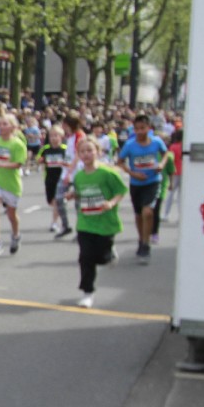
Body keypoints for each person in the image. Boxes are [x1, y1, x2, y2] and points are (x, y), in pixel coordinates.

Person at [65, 137, 126, 308]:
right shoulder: (79, 176)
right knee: (85, 257)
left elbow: (120, 191)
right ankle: (87, 292)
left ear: (98, 152)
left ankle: (109, 254)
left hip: (105, 223)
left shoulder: (107, 173)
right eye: (82, 152)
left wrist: (111, 203)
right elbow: (80, 193)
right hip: (85, 222)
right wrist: (73, 195)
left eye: (90, 150)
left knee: (102, 258)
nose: (86, 154)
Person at [115, 115, 167, 264]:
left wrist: (161, 164)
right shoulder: (130, 145)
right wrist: (133, 173)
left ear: (149, 128)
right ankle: (141, 238)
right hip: (136, 184)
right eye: (137, 129)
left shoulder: (156, 142)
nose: (139, 132)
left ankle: (146, 244)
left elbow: (165, 154)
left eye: (142, 128)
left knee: (148, 212)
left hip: (153, 182)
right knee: (138, 215)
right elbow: (120, 162)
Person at [0, 114, 27, 256]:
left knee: (11, 215)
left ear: (12, 127)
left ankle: (16, 235)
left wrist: (1, 164)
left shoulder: (17, 144)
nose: (1, 127)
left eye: (5, 124)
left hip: (11, 184)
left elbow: (18, 164)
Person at [38, 127, 68, 234]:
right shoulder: (45, 149)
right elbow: (39, 159)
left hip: (61, 178)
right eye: (51, 136)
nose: (54, 138)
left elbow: (69, 162)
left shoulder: (65, 149)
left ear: (61, 137)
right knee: (50, 201)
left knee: (56, 200)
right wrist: (40, 160)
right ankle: (59, 209)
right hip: (49, 178)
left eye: (56, 136)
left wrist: (65, 164)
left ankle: (54, 222)